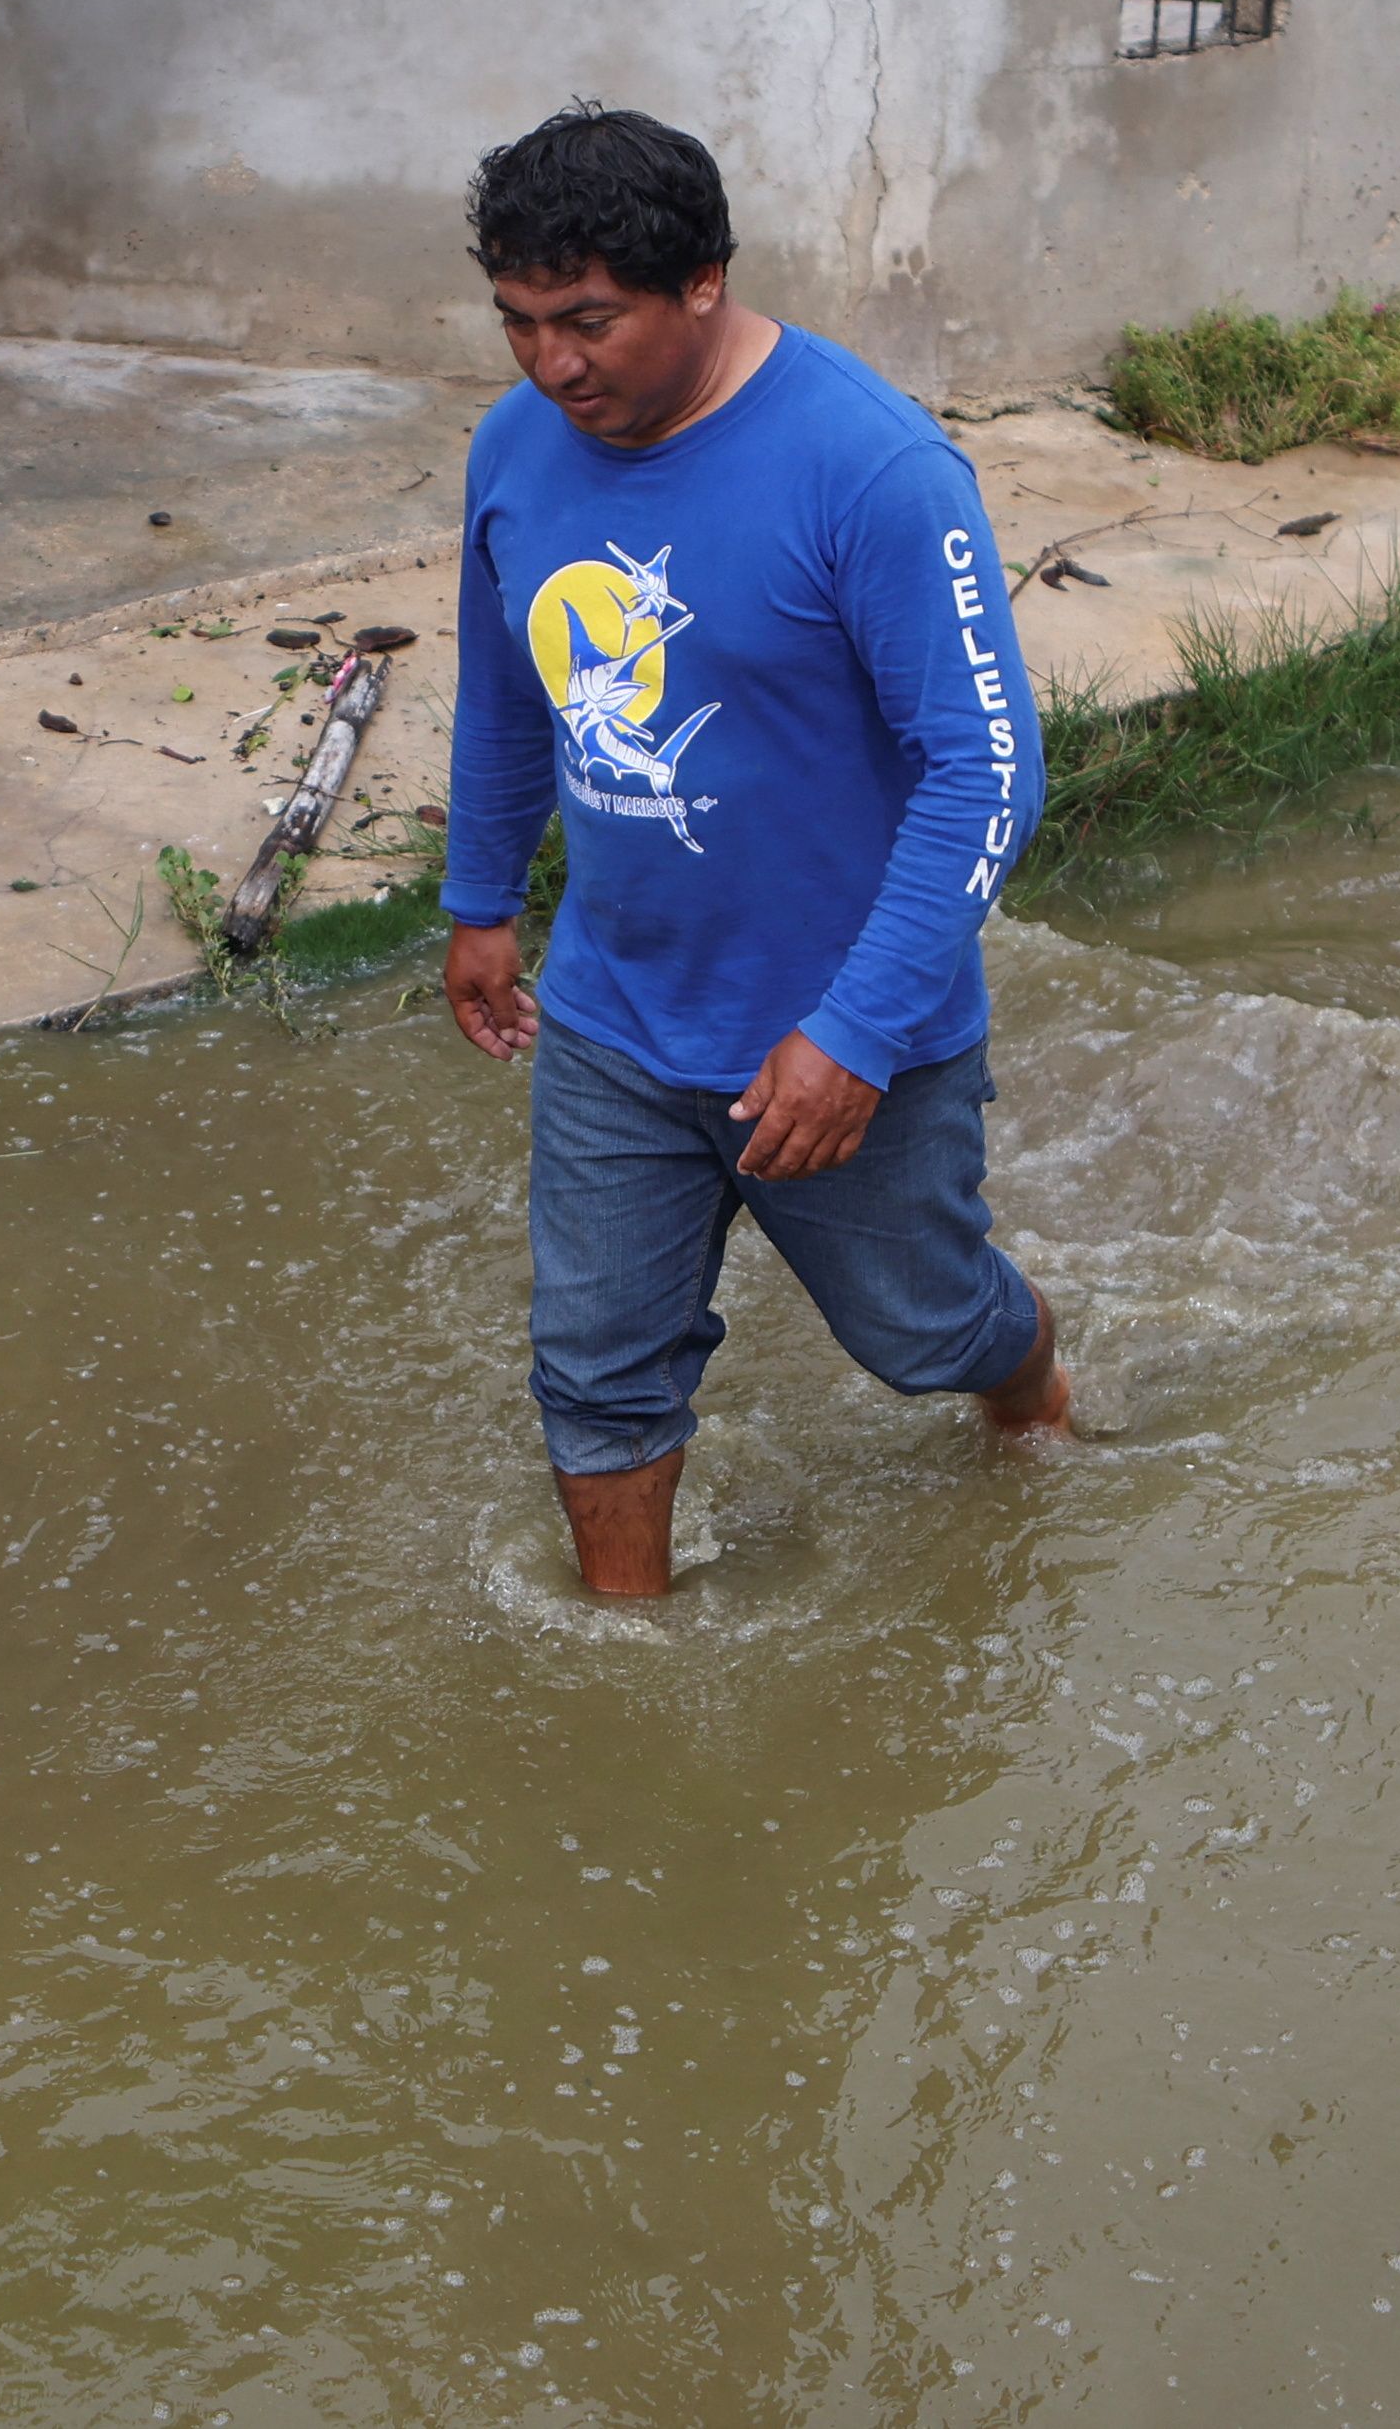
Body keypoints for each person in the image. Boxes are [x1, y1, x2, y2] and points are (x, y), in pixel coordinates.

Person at [438, 105, 1064, 1599]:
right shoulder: (517, 451)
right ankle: (624, 1674)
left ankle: (1029, 1381)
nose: (551, 362)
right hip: (615, 1011)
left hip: (849, 1030)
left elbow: (989, 777)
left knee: (923, 1337)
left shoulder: (874, 471)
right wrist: (478, 900)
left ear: (702, 282)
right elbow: (504, 683)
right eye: (519, 323)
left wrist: (850, 1032)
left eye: (588, 320)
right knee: (594, 1364)